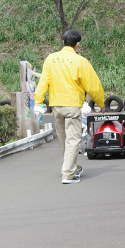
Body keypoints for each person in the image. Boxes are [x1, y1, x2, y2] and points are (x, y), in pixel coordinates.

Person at [35, 29, 105, 184]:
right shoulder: (80, 61)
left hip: (56, 105)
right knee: (73, 140)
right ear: (77, 45)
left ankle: (73, 167)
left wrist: (38, 101)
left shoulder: (51, 59)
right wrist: (101, 103)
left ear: (63, 42)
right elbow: (93, 85)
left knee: (64, 138)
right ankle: (68, 174)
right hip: (72, 105)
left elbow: (43, 82)